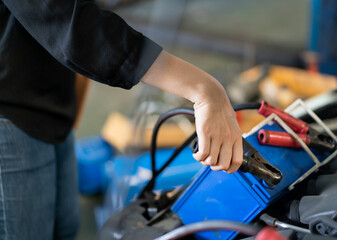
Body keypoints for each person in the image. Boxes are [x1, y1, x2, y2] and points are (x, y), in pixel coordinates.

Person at [0, 0, 243, 239]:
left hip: (52, 101)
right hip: (9, 113)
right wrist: (203, 89)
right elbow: (73, 25)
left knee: (64, 229)